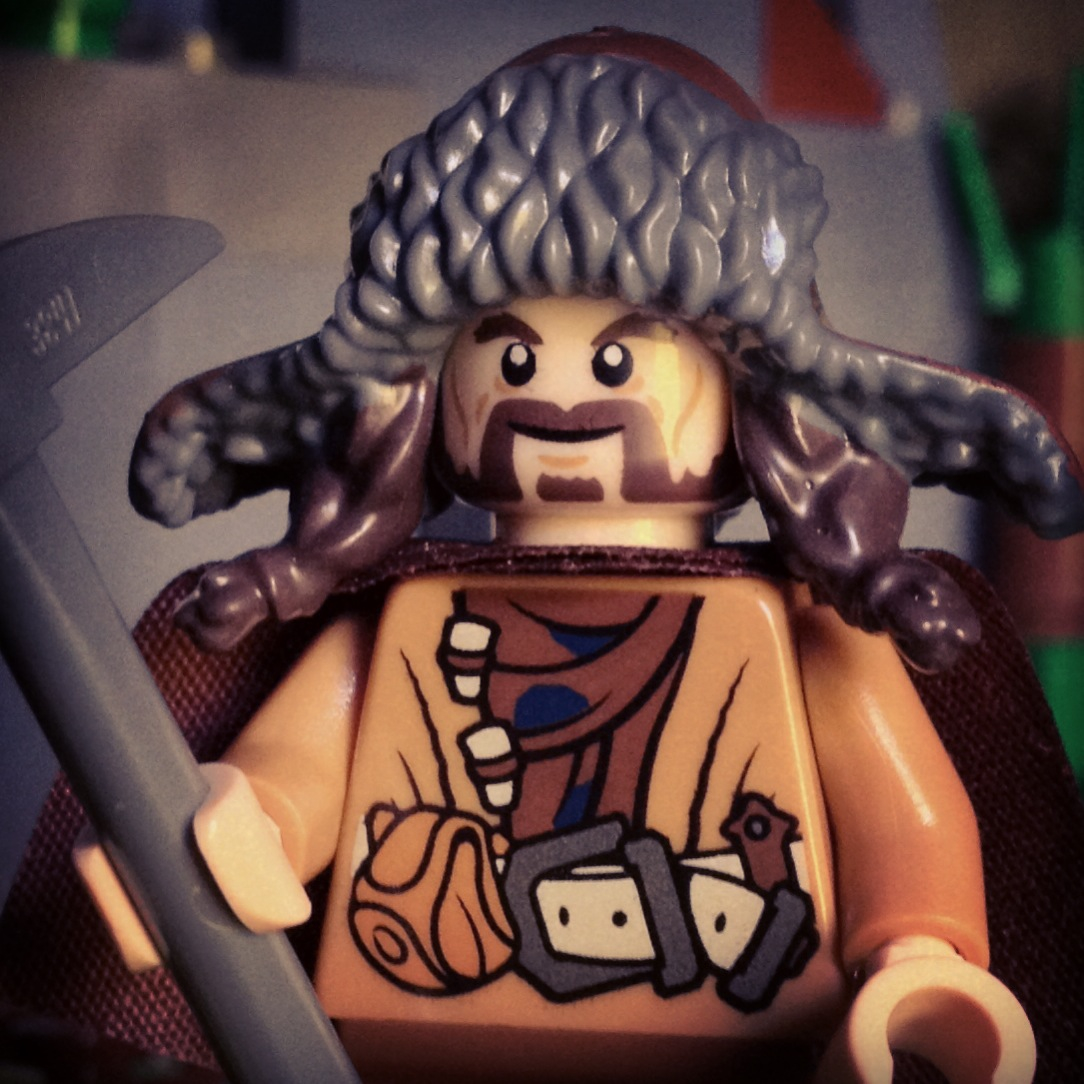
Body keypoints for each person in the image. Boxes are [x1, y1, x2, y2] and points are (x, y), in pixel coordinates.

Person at [92, 28, 1083, 1082]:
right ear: (424, 390)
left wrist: (916, 957)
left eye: (618, 360)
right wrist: (244, 829)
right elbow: (299, 766)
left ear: (758, 392)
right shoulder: (405, 627)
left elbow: (903, 813)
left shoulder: (806, 633)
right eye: (512, 358)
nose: (559, 402)